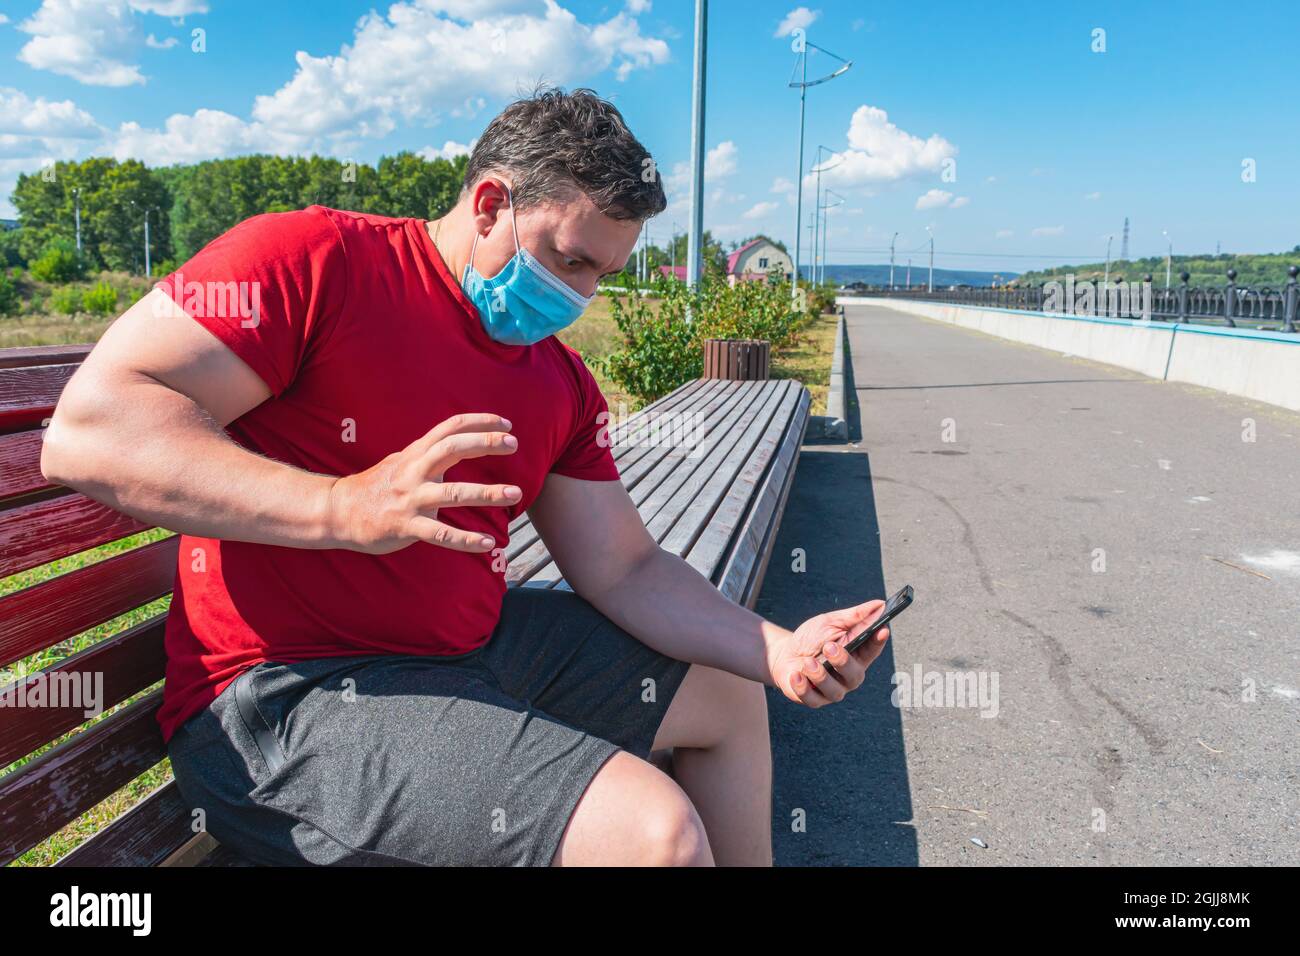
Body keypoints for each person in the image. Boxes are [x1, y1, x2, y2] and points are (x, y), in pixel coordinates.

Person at [41, 88, 890, 867]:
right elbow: (87, 431)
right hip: (289, 698)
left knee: (726, 693)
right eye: (570, 260)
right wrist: (340, 505)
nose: (580, 295)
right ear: (491, 203)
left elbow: (625, 568)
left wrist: (778, 649)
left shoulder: (553, 379)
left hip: (461, 656)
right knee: (653, 833)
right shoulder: (315, 261)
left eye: (601, 273)